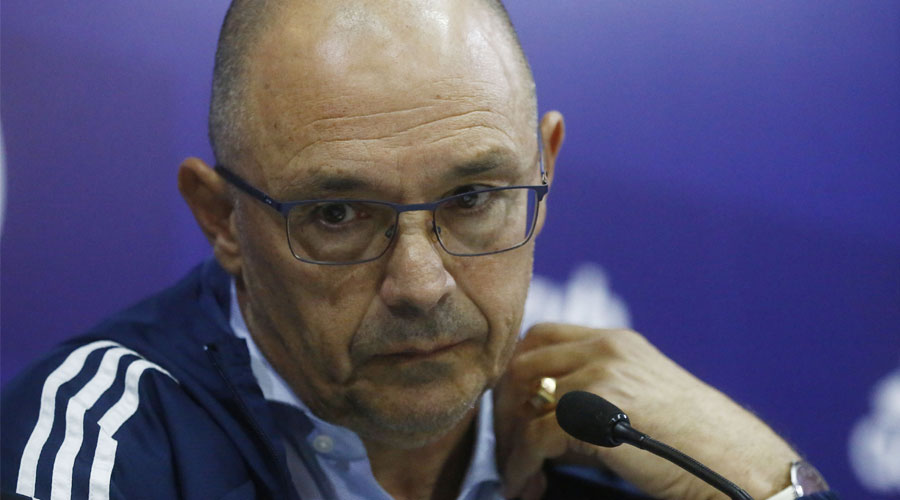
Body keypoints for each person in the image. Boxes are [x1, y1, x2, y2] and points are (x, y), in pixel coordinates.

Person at [1, 1, 837, 499]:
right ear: (223, 220)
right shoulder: (110, 442)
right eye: (338, 214)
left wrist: (764, 483)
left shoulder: (626, 453)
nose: (421, 283)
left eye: (471, 199)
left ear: (543, 170)